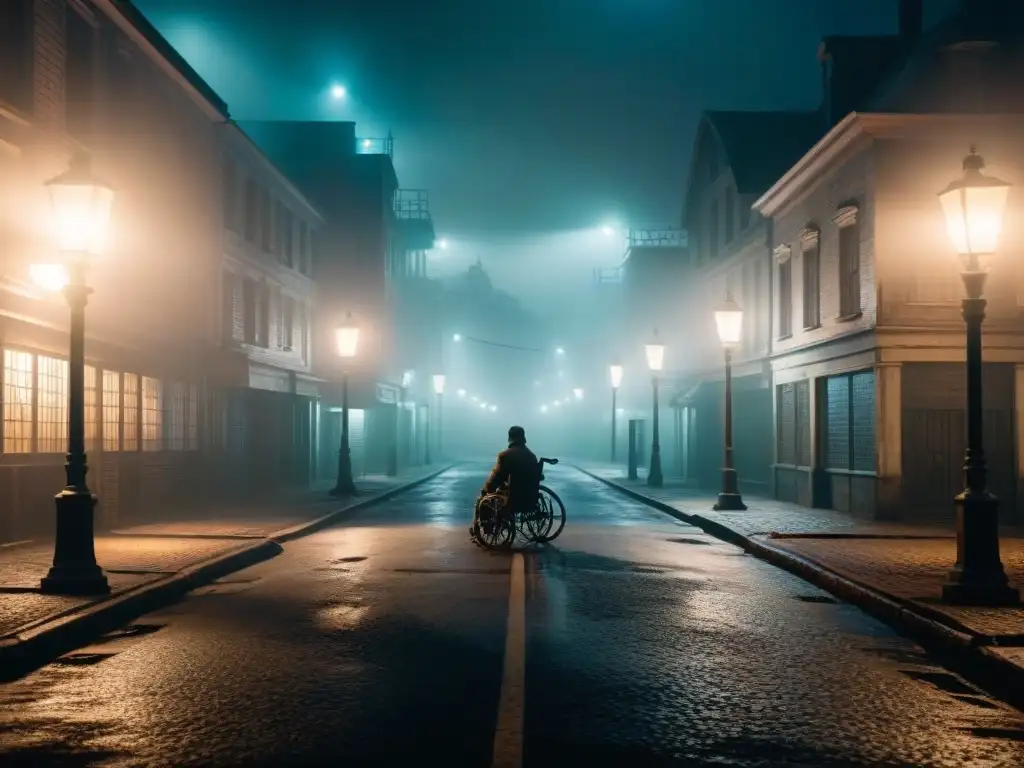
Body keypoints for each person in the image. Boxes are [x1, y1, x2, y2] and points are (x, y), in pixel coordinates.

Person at [472, 425, 541, 539]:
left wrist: (486, 490)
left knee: (484, 498)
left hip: (512, 498)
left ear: (510, 438)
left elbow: (496, 477)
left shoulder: (506, 455)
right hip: (530, 498)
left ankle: (484, 528)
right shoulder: (531, 456)